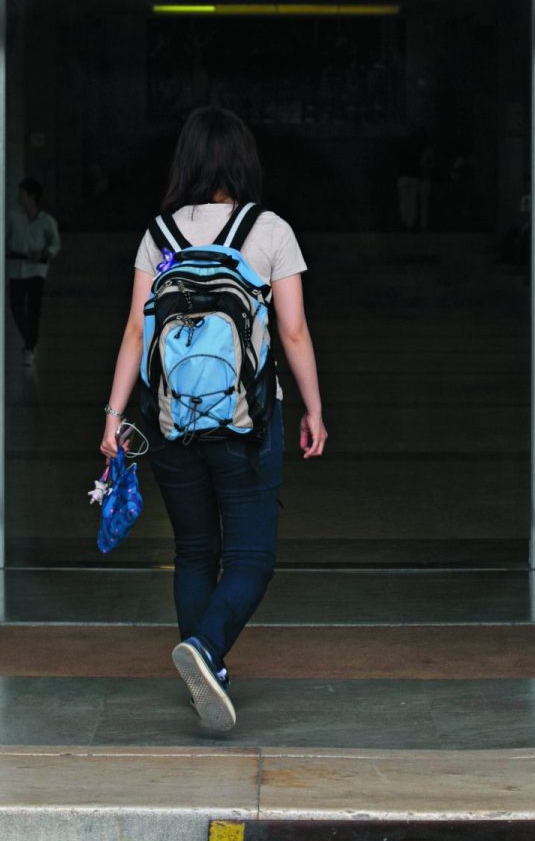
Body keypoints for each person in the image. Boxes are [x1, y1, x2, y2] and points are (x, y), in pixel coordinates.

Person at [100, 107, 329, 733]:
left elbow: (133, 331)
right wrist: (313, 407)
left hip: (171, 422)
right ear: (243, 161)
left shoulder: (158, 235)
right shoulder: (270, 229)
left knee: (195, 551)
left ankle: (209, 670)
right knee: (252, 556)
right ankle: (205, 649)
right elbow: (293, 330)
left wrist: (113, 417)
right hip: (247, 423)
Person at [6, 178, 61, 366]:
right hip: (16, 268)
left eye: (22, 194)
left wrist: (44, 254)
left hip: (37, 269)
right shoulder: (13, 217)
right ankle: (30, 341)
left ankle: (29, 347)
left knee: (33, 310)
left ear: (31, 197)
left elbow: (55, 243)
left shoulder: (46, 221)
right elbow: (4, 237)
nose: (19, 198)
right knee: (16, 307)